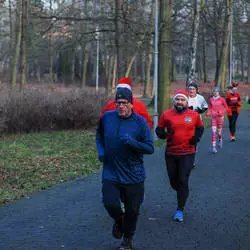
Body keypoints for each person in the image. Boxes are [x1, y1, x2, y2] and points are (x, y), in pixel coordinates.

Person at [96, 87, 154, 250]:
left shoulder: (140, 123)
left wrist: (132, 142)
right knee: (110, 203)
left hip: (133, 174)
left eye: (124, 103)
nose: (121, 106)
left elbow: (150, 148)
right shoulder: (107, 118)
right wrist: (101, 151)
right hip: (111, 171)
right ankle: (119, 221)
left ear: (131, 104)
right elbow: (98, 134)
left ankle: (127, 240)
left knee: (133, 210)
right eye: (118, 103)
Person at [155, 89, 204, 222]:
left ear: (186, 102)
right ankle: (183, 191)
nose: (180, 102)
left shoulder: (193, 115)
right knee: (173, 181)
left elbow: (200, 128)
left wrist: (196, 138)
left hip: (187, 152)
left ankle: (179, 209)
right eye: (177, 99)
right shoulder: (166, 115)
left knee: (182, 179)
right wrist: (161, 133)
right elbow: (159, 128)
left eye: (182, 100)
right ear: (174, 101)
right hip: (171, 152)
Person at [186, 81, 208, 168]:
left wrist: (200, 110)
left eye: (193, 89)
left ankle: (192, 160)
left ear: (196, 90)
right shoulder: (185, 97)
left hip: (197, 122)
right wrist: (187, 109)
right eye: (190, 89)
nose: (191, 90)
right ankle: (186, 159)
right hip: (186, 122)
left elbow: (205, 106)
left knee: (193, 141)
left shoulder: (200, 98)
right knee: (187, 141)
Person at [206, 87, 228, 153]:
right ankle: (214, 147)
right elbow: (210, 107)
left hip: (220, 118)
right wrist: (208, 112)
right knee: (213, 132)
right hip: (213, 118)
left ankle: (220, 139)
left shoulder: (222, 99)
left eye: (217, 92)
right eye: (214, 91)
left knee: (219, 132)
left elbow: (226, 108)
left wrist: (222, 112)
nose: (215, 93)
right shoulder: (211, 99)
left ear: (219, 92)